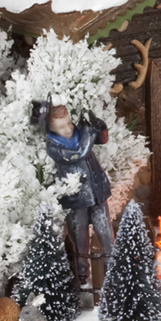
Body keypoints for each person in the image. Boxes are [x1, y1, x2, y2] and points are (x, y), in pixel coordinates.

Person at [35, 100, 114, 291]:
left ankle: (112, 269)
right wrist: (88, 132)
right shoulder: (54, 147)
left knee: (105, 232)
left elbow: (102, 139)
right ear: (52, 129)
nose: (68, 129)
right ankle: (82, 275)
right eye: (61, 127)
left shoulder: (80, 132)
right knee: (80, 239)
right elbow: (79, 152)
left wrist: (98, 126)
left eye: (69, 123)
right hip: (75, 199)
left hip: (97, 193)